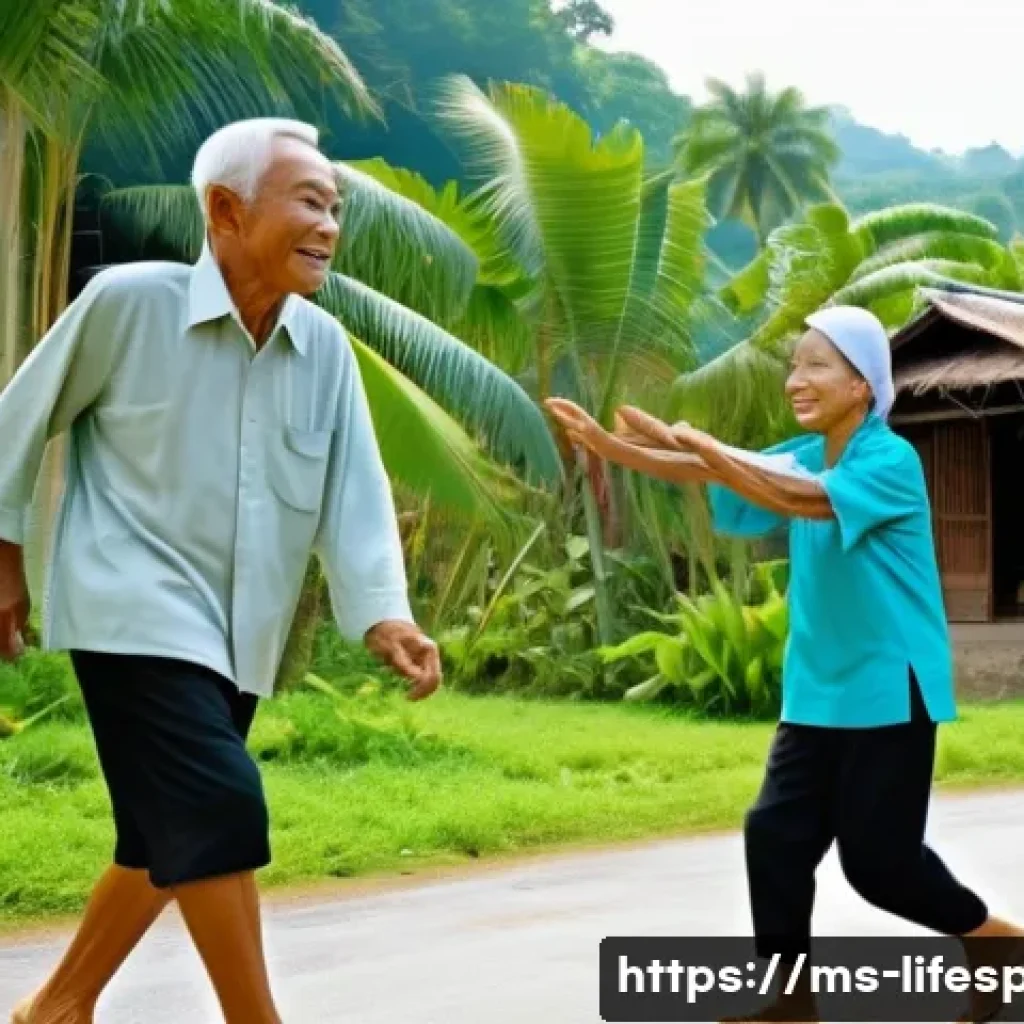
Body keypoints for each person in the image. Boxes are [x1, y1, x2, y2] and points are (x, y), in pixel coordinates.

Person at [0, 118, 441, 1024]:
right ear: (226, 211)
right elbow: (16, 425)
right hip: (127, 605)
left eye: (335, 208)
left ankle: (59, 1004)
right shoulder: (130, 304)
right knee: (218, 804)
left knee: (164, 833)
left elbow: (354, 497)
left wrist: (384, 615)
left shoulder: (325, 354)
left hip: (240, 631)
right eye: (309, 202)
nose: (328, 226)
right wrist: (5, 563)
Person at [546, 305, 1023, 1023]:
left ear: (862, 386)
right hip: (817, 692)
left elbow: (792, 497)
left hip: (889, 689)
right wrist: (615, 448)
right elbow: (733, 473)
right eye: (793, 366)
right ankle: (791, 998)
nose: (796, 379)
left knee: (880, 868)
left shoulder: (888, 460)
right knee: (774, 836)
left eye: (815, 365)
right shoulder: (808, 452)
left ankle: (996, 942)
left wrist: (709, 451)